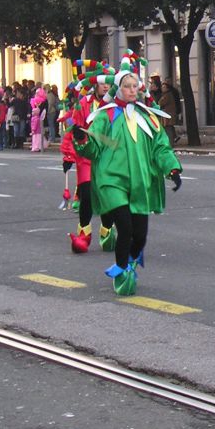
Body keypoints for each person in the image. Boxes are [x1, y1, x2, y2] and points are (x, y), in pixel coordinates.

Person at [71, 52, 182, 295]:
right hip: (112, 181)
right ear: (118, 88)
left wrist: (172, 168)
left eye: (134, 86)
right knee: (125, 228)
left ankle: (130, 263)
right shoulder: (105, 115)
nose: (132, 90)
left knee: (140, 236)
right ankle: (121, 268)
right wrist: (81, 138)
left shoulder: (147, 117)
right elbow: (95, 145)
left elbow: (160, 146)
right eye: (126, 86)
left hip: (140, 182)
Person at [62, 60, 119, 254]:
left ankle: (107, 231)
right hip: (86, 157)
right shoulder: (83, 104)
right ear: (95, 83)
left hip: (107, 158)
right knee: (86, 195)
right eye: (102, 82)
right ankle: (84, 233)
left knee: (107, 196)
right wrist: (68, 155)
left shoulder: (115, 106)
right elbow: (73, 129)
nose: (105, 85)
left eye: (108, 83)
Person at [158, 78, 181, 145]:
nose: (162, 88)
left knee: (168, 129)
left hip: (168, 115)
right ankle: (173, 139)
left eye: (164, 87)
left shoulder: (167, 95)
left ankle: (170, 142)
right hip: (168, 114)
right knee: (169, 128)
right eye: (162, 87)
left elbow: (161, 103)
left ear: (167, 88)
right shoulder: (167, 94)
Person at [29, 88, 47, 152]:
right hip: (36, 117)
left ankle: (38, 146)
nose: (36, 94)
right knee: (37, 136)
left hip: (40, 117)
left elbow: (44, 110)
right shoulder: (34, 100)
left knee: (38, 135)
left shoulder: (44, 101)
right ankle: (36, 145)